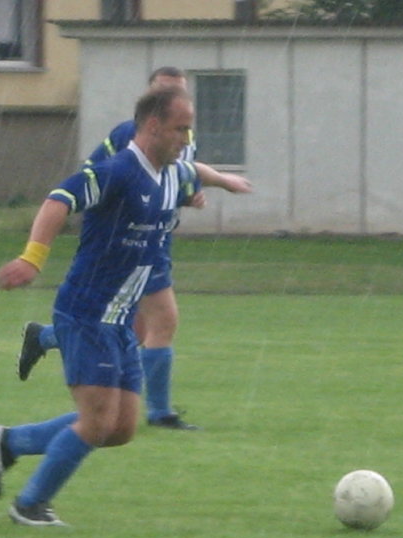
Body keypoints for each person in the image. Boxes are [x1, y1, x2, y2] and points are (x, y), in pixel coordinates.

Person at [0, 85, 202, 526]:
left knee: (119, 428)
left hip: (121, 320)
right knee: (97, 421)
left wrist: (214, 185)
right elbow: (58, 201)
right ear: (153, 126)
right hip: (87, 311)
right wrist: (32, 258)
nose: (187, 139)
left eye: (189, 130)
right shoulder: (118, 170)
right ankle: (30, 506)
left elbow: (197, 176)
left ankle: (10, 442)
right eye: (180, 129)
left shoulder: (173, 174)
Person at [17, 67, 252, 431]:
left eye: (180, 91)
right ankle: (156, 412)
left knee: (137, 330)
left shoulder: (183, 134)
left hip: (156, 239)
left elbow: (182, 174)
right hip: (131, 242)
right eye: (166, 90)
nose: (175, 99)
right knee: (161, 320)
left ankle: (47, 339)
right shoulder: (131, 135)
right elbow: (98, 176)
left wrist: (202, 189)